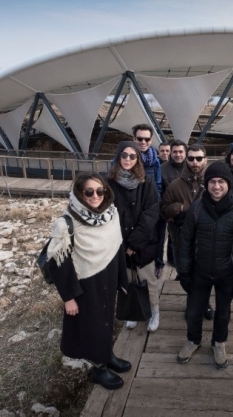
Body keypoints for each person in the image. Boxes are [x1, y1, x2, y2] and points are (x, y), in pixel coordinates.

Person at [46, 172, 131, 390]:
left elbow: (117, 246)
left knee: (107, 320)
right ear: (79, 194)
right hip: (85, 284)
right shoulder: (65, 223)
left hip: (108, 278)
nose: (96, 196)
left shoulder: (111, 214)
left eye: (100, 191)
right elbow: (58, 263)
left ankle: (107, 355)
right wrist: (69, 298)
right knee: (92, 325)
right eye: (89, 192)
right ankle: (99, 369)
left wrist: (123, 278)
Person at [175, 161, 233, 369]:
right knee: (193, 311)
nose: (216, 186)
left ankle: (219, 343)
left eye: (221, 182)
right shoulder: (197, 208)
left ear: (228, 184)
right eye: (212, 182)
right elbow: (185, 241)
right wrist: (184, 270)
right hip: (200, 270)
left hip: (227, 271)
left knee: (223, 312)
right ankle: (193, 339)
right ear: (206, 184)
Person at [107, 141, 162, 332]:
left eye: (132, 156)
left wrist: (134, 243)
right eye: (124, 155)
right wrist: (121, 244)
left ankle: (154, 312)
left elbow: (151, 213)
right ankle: (133, 312)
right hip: (118, 243)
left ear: (137, 159)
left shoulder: (146, 182)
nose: (128, 159)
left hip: (143, 242)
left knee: (148, 280)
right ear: (118, 157)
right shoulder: (110, 183)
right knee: (128, 280)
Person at [160, 143, 214, 320]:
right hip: (181, 237)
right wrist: (179, 208)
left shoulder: (213, 183)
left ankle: (204, 303)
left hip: (205, 239)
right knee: (185, 272)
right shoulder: (176, 185)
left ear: (205, 160)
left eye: (199, 158)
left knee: (204, 273)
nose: (195, 162)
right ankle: (192, 302)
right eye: (191, 158)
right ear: (186, 159)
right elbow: (164, 209)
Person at [132, 123, 166, 276]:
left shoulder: (155, 160)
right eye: (140, 138)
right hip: (132, 205)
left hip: (150, 206)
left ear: (151, 140)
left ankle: (157, 263)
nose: (143, 142)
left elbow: (158, 184)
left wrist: (156, 205)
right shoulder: (126, 157)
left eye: (147, 139)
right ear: (134, 139)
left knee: (155, 236)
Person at [160, 140, 188, 267]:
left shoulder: (192, 166)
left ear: (185, 153)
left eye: (181, 151)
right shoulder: (162, 169)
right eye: (175, 152)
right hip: (171, 213)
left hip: (189, 213)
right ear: (171, 153)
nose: (178, 154)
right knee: (174, 243)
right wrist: (167, 214)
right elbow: (159, 193)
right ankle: (176, 267)